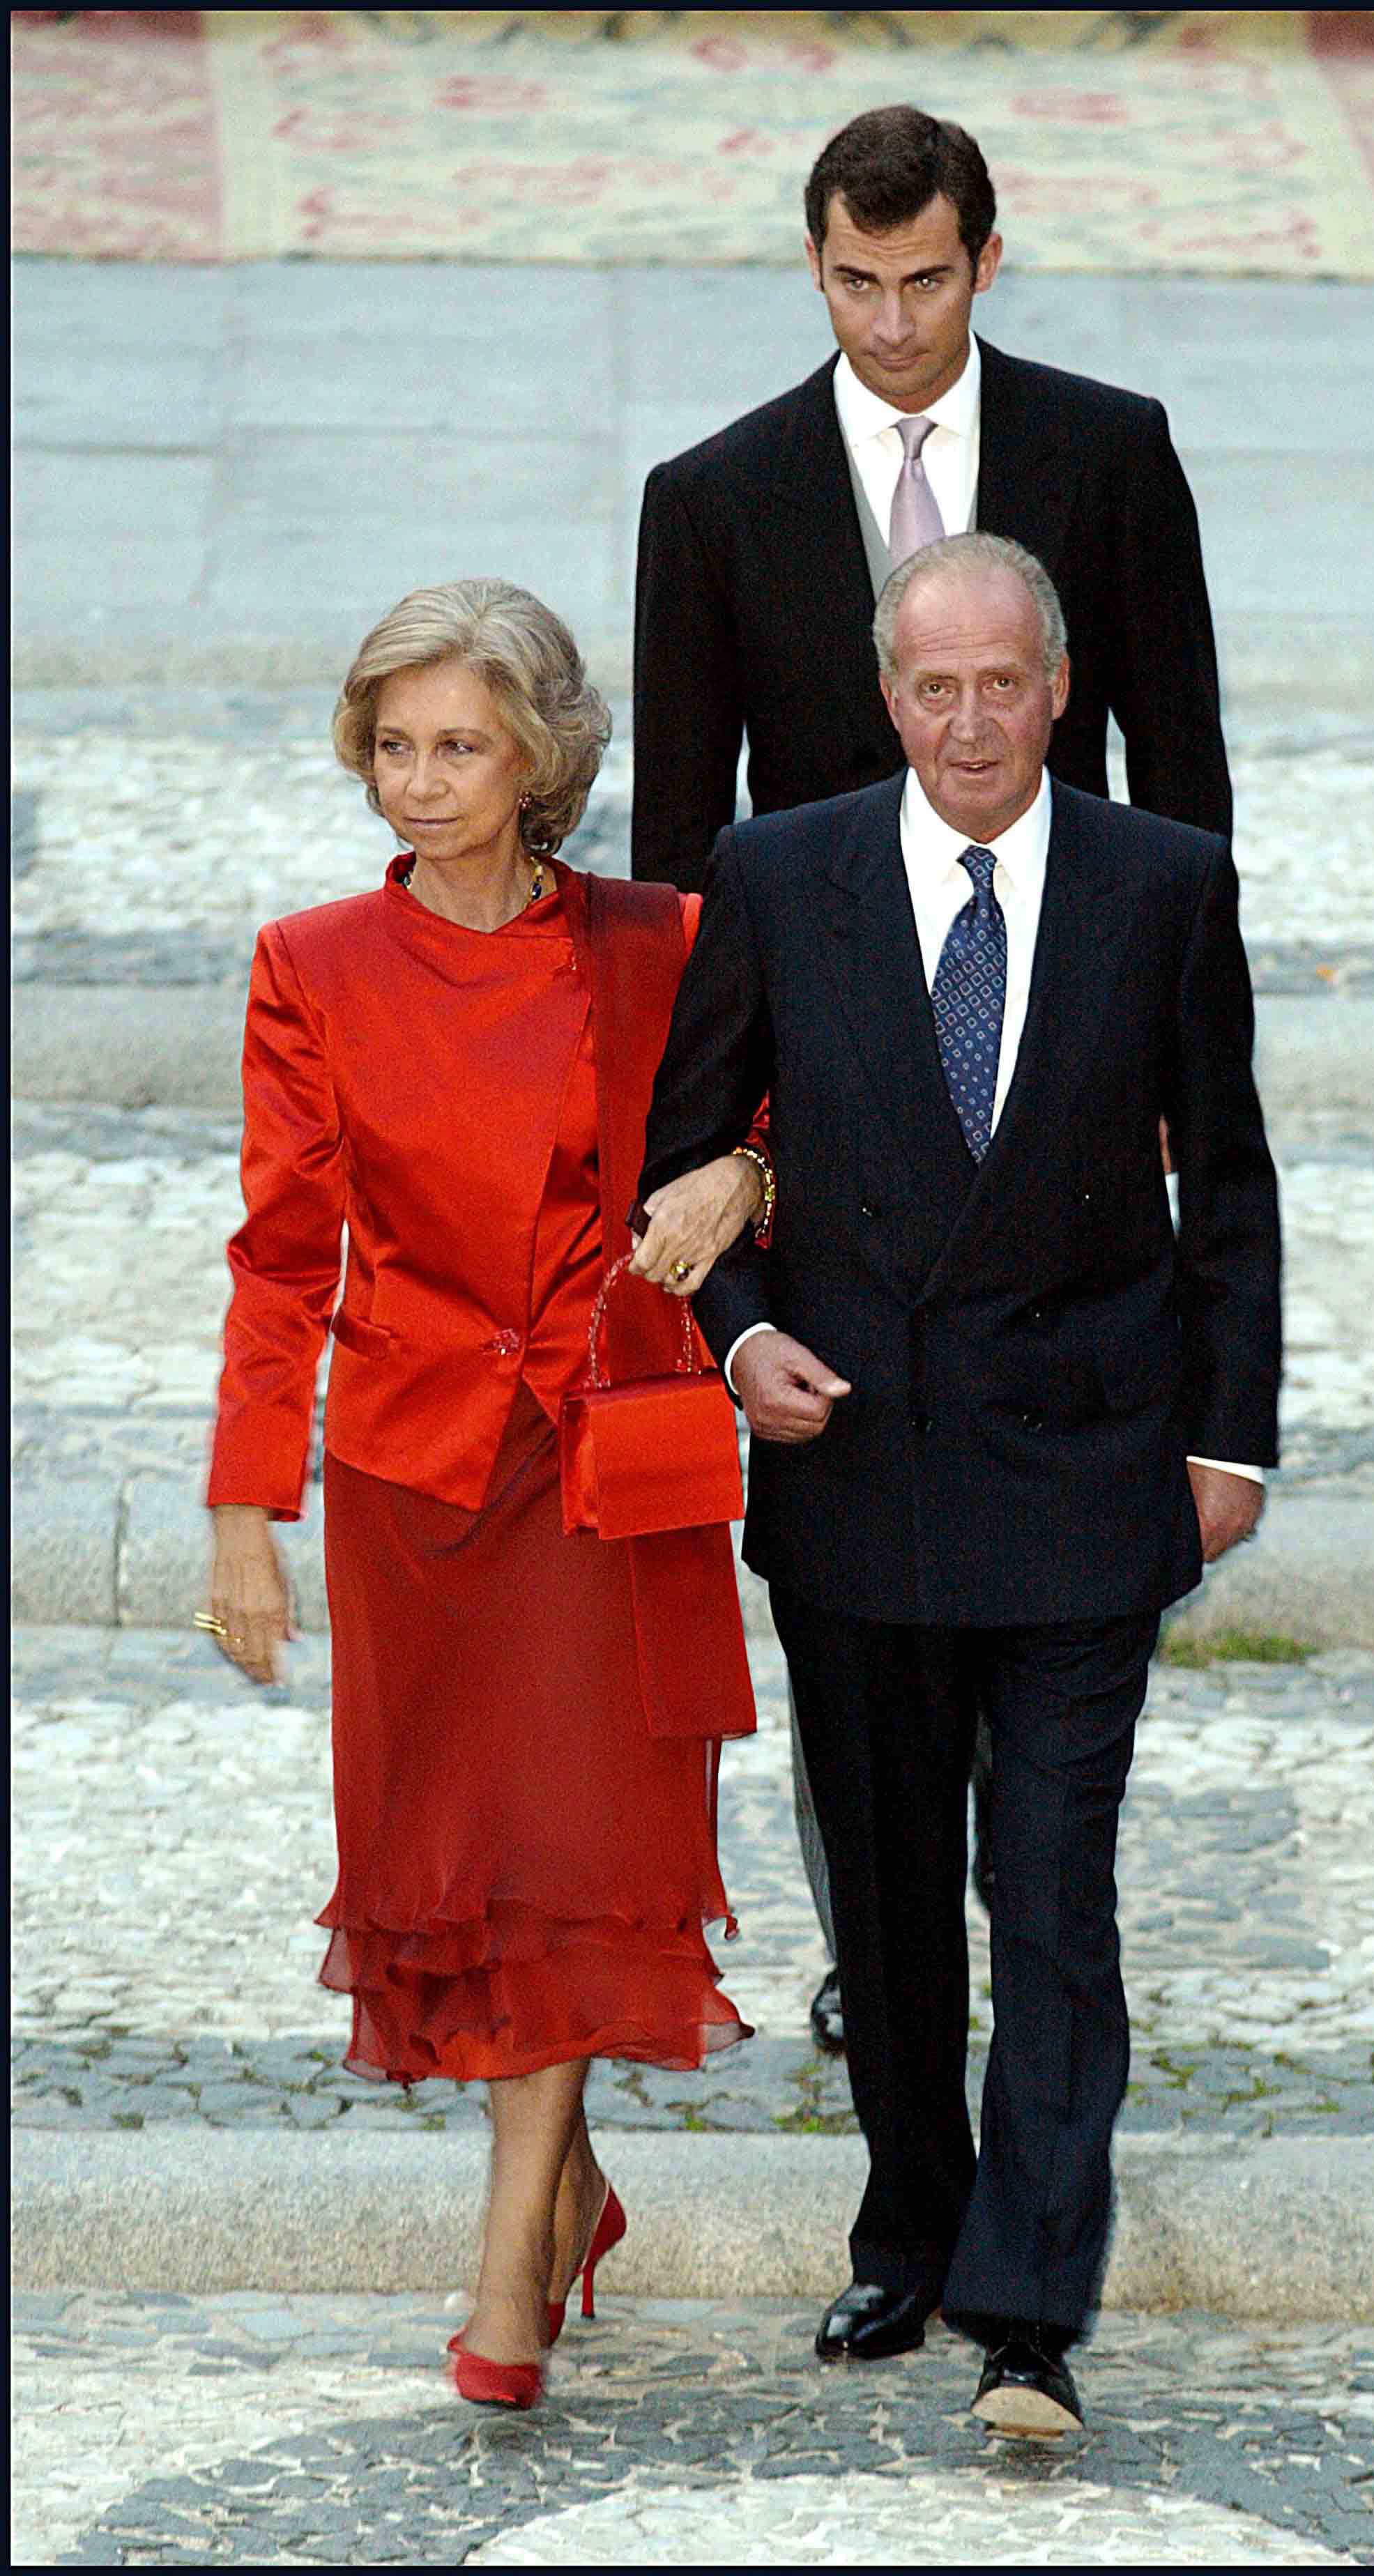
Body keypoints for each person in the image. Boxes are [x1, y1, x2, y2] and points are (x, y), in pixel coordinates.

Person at [639, 534, 1281, 2441]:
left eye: (1007, 683)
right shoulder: (778, 872)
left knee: (1052, 1892)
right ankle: (912, 2229)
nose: (974, 721)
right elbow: (693, 1158)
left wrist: (1226, 1439)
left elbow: (1226, 1185)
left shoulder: (1166, 884)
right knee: (898, 1906)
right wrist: (743, 1344)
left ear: (1061, 685)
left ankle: (1028, 2307)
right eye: (937, 686)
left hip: (1089, 1473)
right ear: (888, 690)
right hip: (863, 1475)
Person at [632, 101, 1235, 2056]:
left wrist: (1170, 1052)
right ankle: (870, 1937)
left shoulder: (1108, 450)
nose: (891, 324)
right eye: (852, 283)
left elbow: (1184, 765)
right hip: (829, 1083)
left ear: (988, 259)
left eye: (925, 280)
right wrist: (709, 1141)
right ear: (813, 270)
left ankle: (1029, 1934)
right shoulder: (712, 495)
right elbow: (671, 843)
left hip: (1056, 1041)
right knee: (851, 1530)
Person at [201, 579, 768, 2414]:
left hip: (612, 1456)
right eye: (393, 745)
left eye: (460, 745)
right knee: (481, 1871)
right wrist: (240, 1512)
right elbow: (283, 1258)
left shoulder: (659, 940)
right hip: (418, 1477)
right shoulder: (314, 966)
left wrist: (742, 1190)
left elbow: (781, 1110)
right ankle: (563, 2180)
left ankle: (508, 2263)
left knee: (588, 1857)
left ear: (540, 757)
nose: (421, 780)